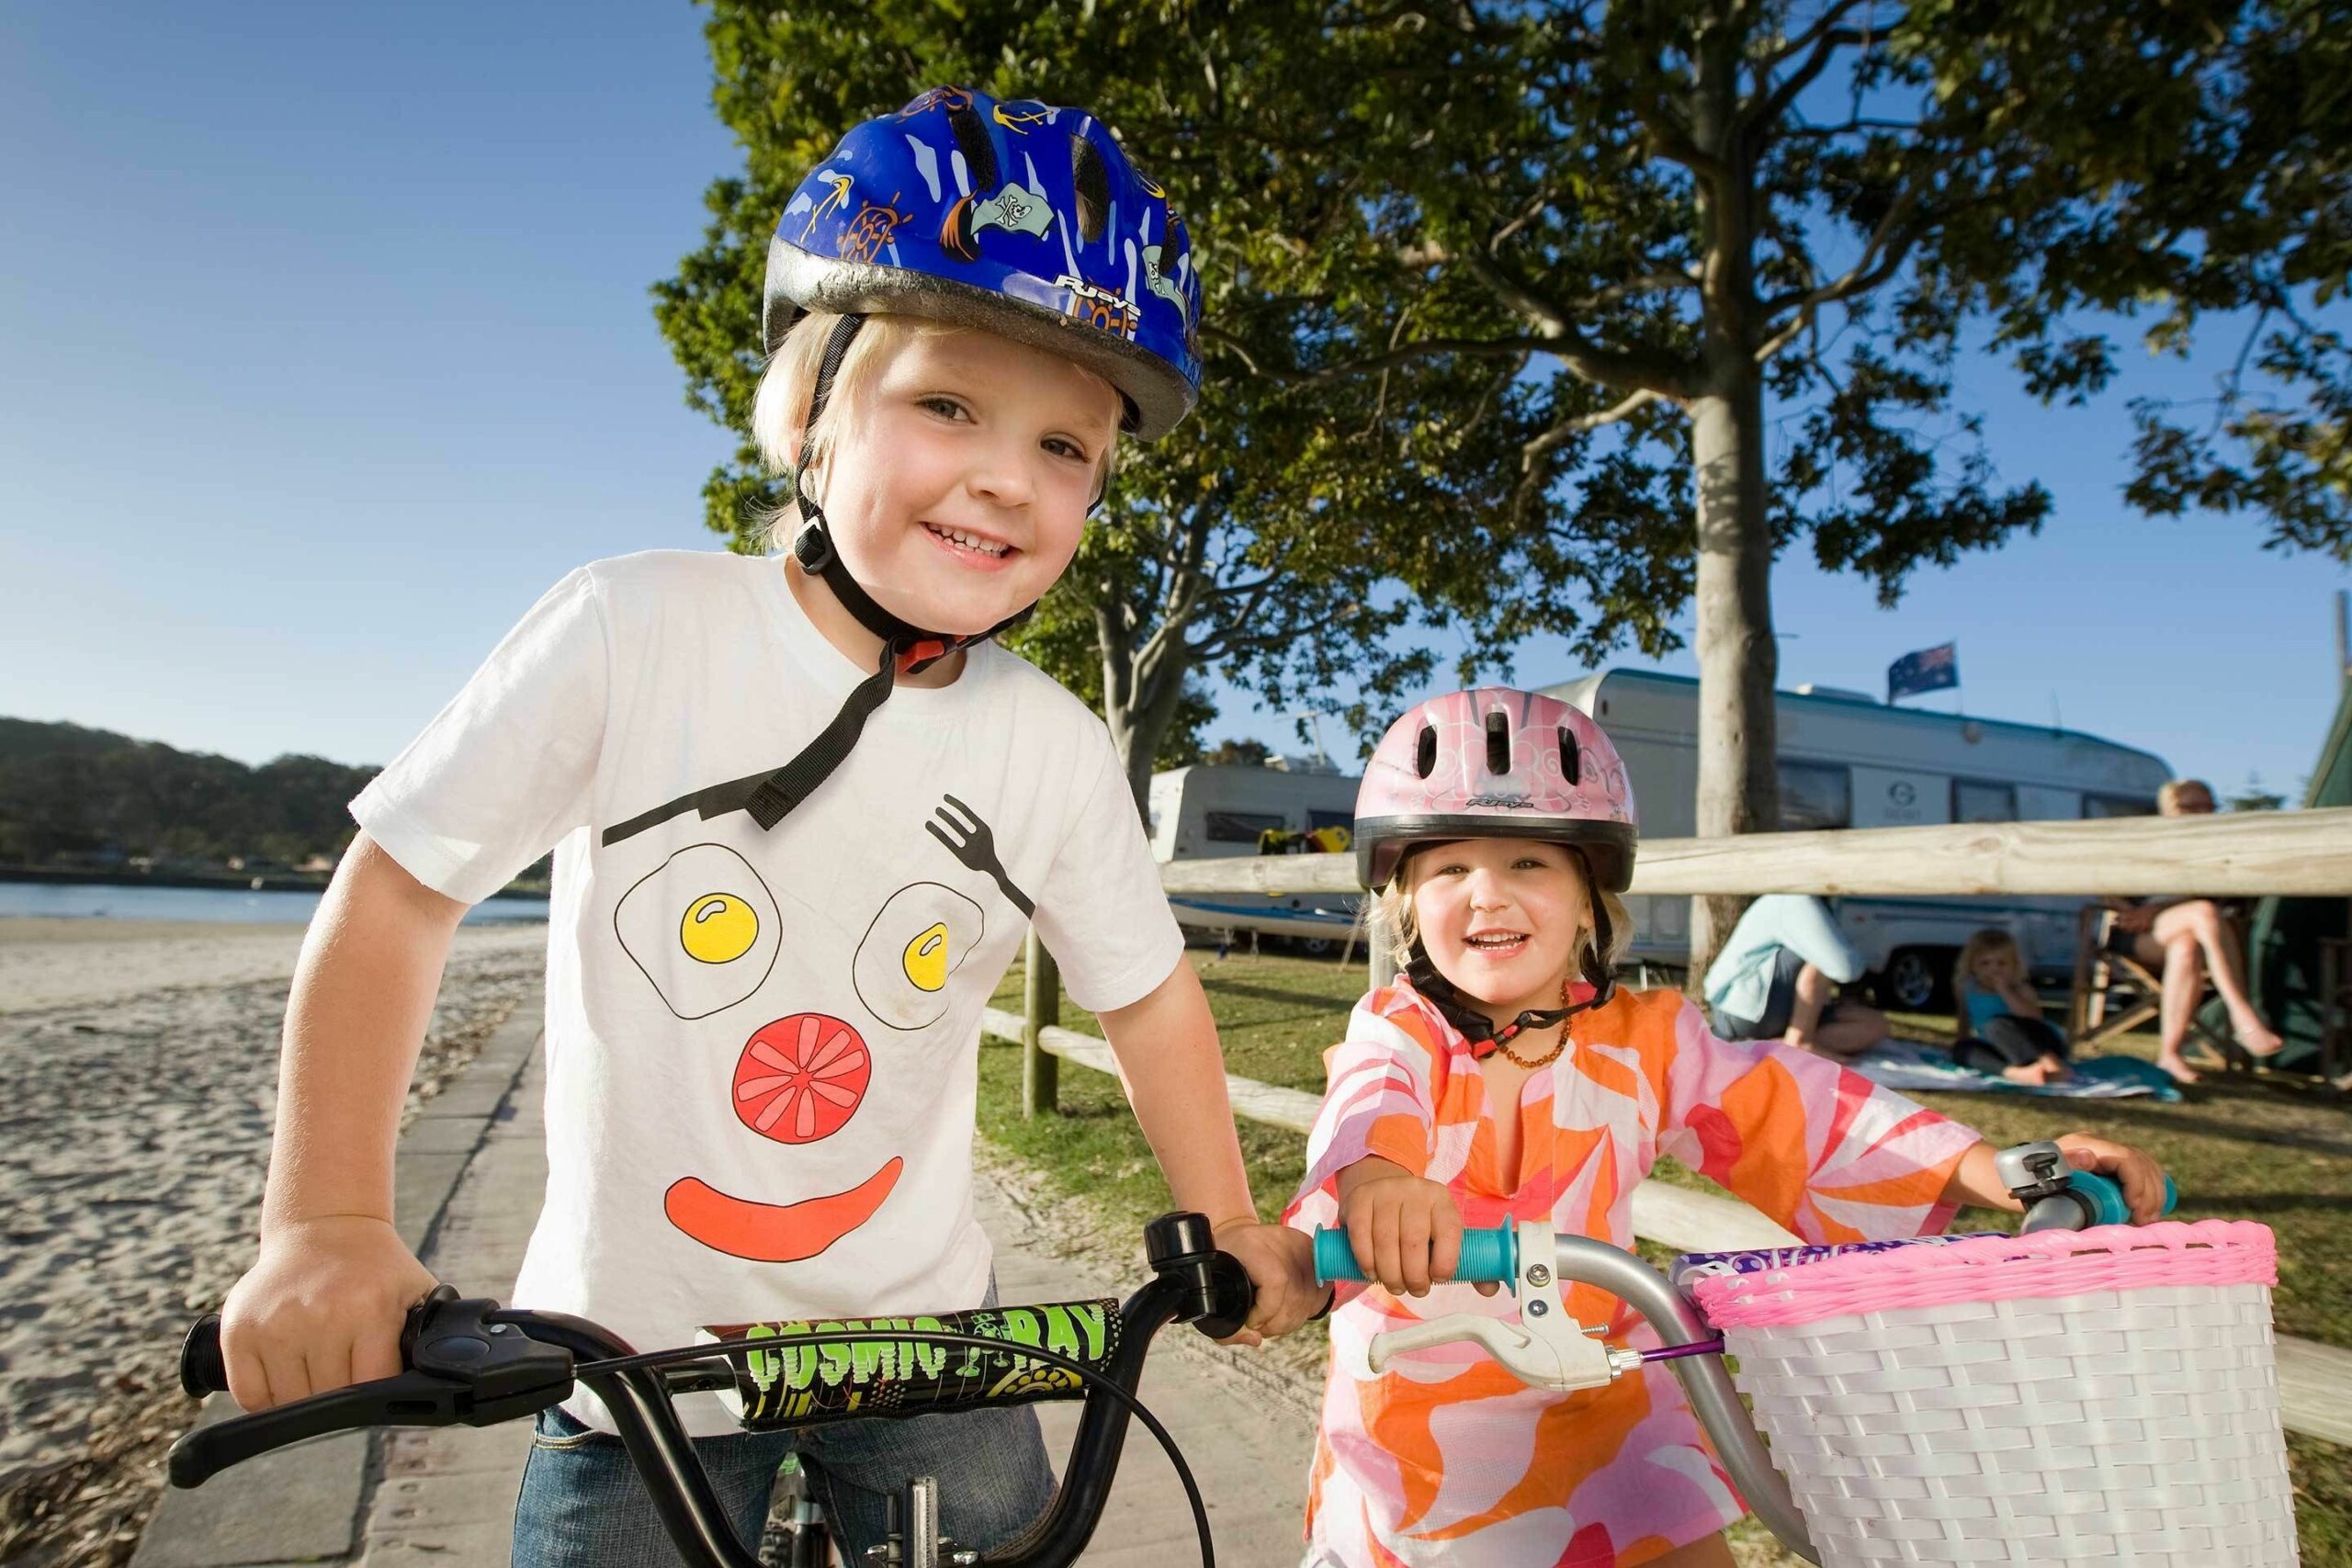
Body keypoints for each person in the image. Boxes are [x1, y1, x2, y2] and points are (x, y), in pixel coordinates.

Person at [215, 85, 1319, 1566]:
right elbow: (403, 890)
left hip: (932, 1348)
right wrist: (331, 1218)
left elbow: (1150, 991)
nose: (1009, 473)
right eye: (948, 404)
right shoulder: (635, 628)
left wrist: (1224, 1219)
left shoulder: (1049, 746)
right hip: (630, 1353)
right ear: (807, 409)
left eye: (1069, 448)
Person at [1284, 687, 2169, 1568]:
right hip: (1423, 1414)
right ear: (1404, 900)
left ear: (1591, 898)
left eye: (1530, 864)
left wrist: (1997, 1169)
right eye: (1449, 869)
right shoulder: (1401, 1028)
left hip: (1600, 1394)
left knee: (1686, 1542)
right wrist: (1378, 1180)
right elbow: (1372, 1095)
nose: (1488, 896)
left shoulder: (1648, 1042)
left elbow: (1792, 1108)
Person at [2104, 776, 2283, 1083]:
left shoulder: (2218, 850)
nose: (2203, 813)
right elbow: (2100, 882)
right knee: (2204, 912)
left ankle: (2170, 1054)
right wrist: (2128, 910)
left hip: (2189, 933)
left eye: (2209, 807)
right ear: (2169, 809)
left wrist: (2155, 909)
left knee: (2189, 940)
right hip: (2140, 934)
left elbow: (2225, 891)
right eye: (2192, 807)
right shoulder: (2141, 844)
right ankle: (2241, 1011)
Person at [1701, 892, 1889, 1055]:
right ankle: (1799, 1042)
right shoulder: (1792, 900)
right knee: (1822, 958)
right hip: (1743, 1012)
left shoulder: (1815, 902)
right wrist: (1852, 952)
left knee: (1875, 1025)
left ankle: (1778, 1045)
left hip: (1770, 1015)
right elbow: (1845, 969)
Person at [1951, 928, 2072, 1085]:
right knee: (1963, 1049)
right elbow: (1964, 1019)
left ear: (2014, 966)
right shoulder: (1968, 989)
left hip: (2040, 1045)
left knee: (1995, 1026)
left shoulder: (2021, 989)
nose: (1994, 970)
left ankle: (2052, 1066)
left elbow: (2033, 1018)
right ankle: (2015, 1073)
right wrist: (1962, 1039)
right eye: (1985, 963)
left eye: (2001, 964)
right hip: (2002, 1049)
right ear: (1973, 966)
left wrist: (2005, 991)